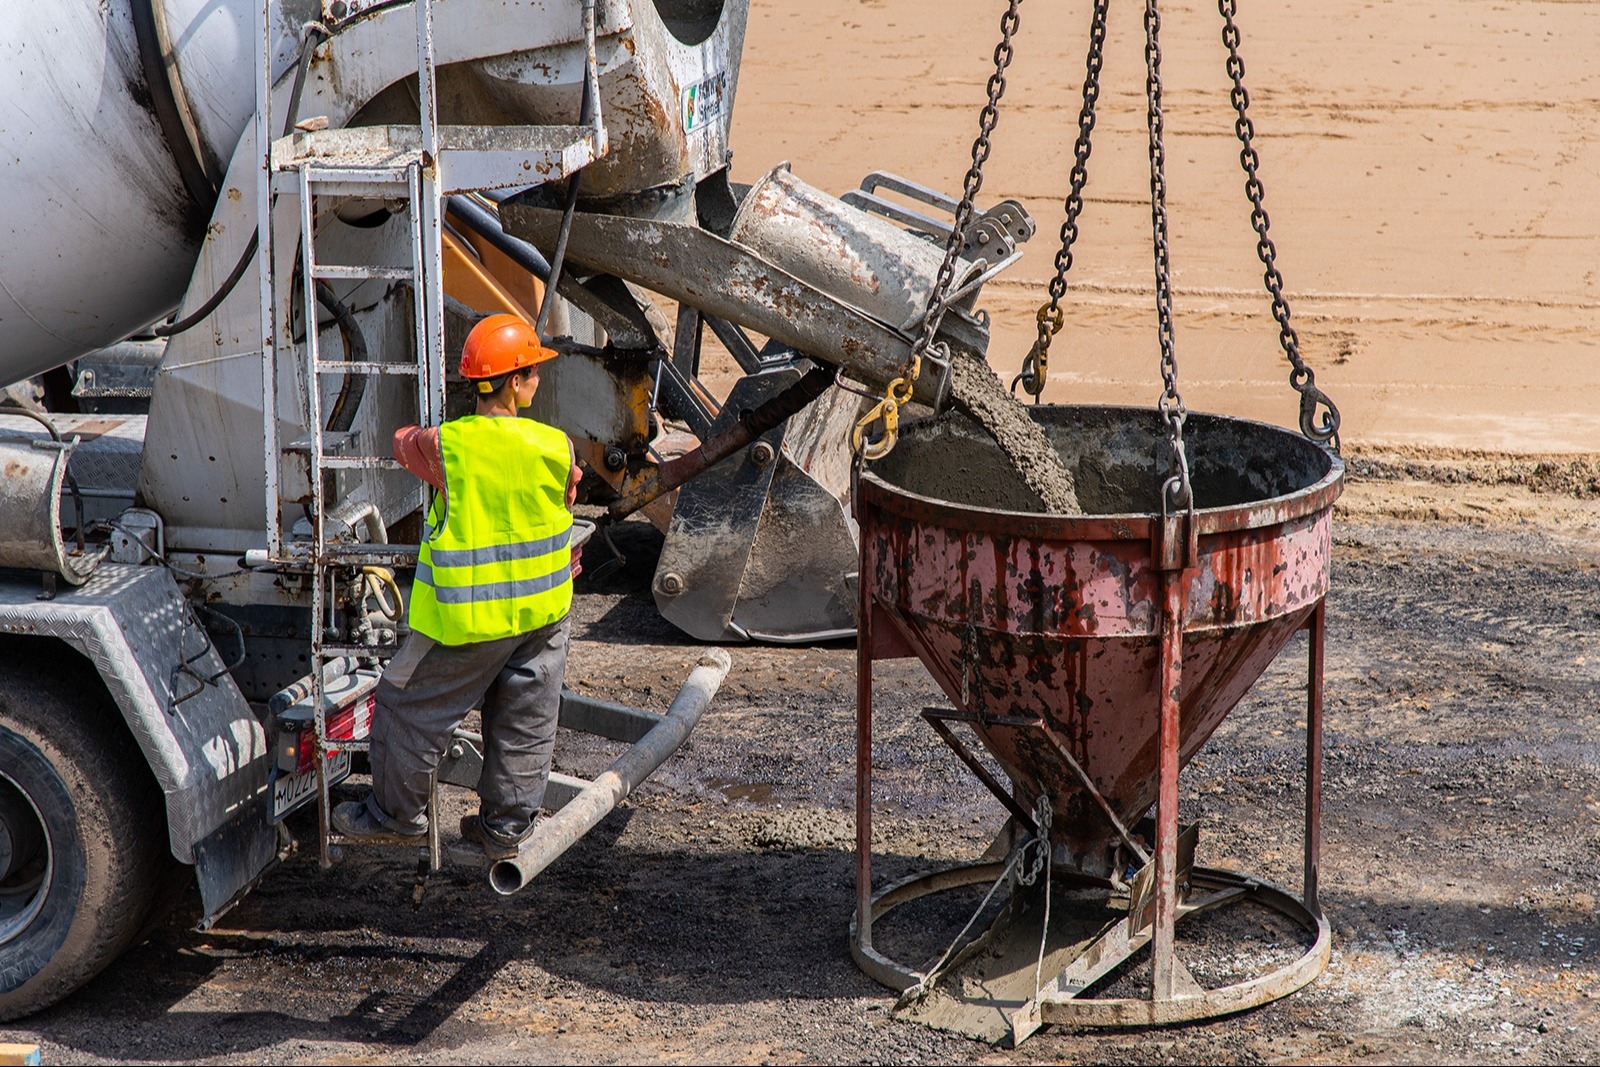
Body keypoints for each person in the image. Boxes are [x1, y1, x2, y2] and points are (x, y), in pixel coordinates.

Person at [333, 314, 582, 860]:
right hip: (544, 613)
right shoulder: (557, 446)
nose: (538, 379)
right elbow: (565, 501)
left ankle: (394, 816)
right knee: (526, 718)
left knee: (404, 704)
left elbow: (403, 444)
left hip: (467, 617)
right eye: (532, 371)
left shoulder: (446, 446)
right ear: (513, 383)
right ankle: (507, 829)